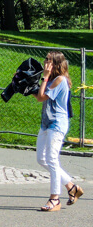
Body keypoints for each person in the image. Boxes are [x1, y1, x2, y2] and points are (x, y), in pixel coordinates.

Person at [35, 51, 83, 211]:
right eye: (46, 59)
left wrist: (45, 76)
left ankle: (54, 199)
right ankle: (71, 186)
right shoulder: (51, 80)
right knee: (41, 159)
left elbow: (42, 97)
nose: (45, 62)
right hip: (46, 123)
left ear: (56, 64)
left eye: (49, 60)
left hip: (57, 123)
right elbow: (38, 95)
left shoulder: (59, 80)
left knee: (52, 159)